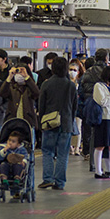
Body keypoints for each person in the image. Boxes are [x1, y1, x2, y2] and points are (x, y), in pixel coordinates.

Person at [37, 57, 77, 190]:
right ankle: (60, 182)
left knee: (47, 151)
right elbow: (74, 107)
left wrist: (41, 121)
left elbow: (41, 105)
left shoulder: (46, 84)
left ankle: (47, 179)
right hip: (66, 124)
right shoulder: (71, 85)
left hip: (49, 123)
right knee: (62, 154)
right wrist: (70, 121)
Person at [2, 62, 39, 130]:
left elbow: (37, 93)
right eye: (17, 72)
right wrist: (9, 77)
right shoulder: (11, 87)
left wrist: (27, 77)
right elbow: (2, 93)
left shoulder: (29, 88)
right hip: (12, 120)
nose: (19, 75)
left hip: (28, 122)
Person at [67, 60, 86, 157]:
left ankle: (77, 148)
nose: (72, 71)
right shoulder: (65, 82)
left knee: (78, 127)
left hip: (78, 108)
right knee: (69, 128)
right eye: (70, 69)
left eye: (74, 70)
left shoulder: (81, 82)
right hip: (68, 108)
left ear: (78, 72)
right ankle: (70, 147)